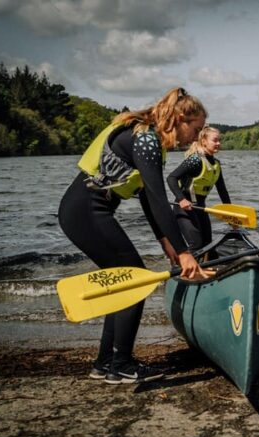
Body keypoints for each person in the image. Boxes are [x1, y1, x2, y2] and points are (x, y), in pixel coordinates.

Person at [58, 87, 207, 384]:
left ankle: (105, 362)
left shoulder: (149, 139)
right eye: (197, 128)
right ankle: (122, 364)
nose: (197, 136)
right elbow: (156, 197)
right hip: (85, 212)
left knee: (122, 281)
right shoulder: (147, 140)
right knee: (132, 280)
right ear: (180, 118)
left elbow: (144, 197)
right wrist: (184, 250)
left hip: (84, 212)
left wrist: (167, 243)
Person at [166, 127, 231, 254]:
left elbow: (223, 192)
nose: (218, 143)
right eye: (215, 140)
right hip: (184, 208)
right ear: (204, 141)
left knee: (208, 246)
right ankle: (180, 270)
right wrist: (181, 199)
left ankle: (209, 270)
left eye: (219, 140)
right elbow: (171, 178)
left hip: (200, 208)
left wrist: (231, 217)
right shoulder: (195, 160)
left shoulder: (216, 164)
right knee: (196, 243)